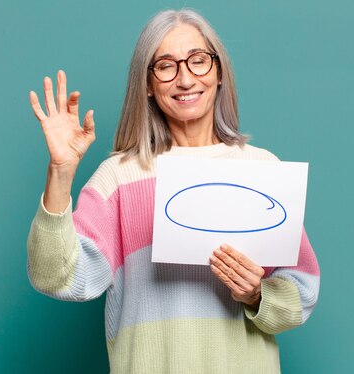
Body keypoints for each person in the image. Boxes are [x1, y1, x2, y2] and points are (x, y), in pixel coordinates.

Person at [27, 9, 320, 373]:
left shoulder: (263, 170)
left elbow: (301, 293)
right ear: (147, 84)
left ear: (219, 73)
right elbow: (57, 277)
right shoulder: (119, 177)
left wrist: (257, 294)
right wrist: (60, 171)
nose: (185, 79)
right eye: (166, 66)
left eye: (198, 61)